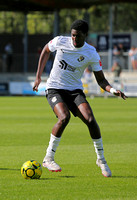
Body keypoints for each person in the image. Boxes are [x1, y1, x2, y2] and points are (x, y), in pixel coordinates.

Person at [33, 20, 127, 177]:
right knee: (64, 117)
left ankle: (101, 160)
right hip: (55, 88)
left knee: (90, 120)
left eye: (77, 36)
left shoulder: (91, 53)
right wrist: (38, 77)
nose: (74, 39)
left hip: (74, 91)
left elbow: (101, 81)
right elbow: (46, 50)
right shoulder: (60, 41)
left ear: (85, 35)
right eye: (72, 35)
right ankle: (48, 158)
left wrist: (112, 90)